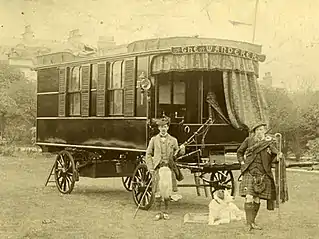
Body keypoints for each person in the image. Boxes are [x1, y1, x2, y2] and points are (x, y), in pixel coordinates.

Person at [237, 122, 283, 231]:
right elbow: (239, 152)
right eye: (257, 130)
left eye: (261, 130)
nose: (259, 132)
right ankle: (248, 224)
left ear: (264, 131)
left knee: (257, 199)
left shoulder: (269, 142)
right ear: (254, 132)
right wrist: (242, 162)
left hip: (263, 173)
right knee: (249, 196)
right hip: (250, 171)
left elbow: (275, 155)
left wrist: (279, 156)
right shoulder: (249, 141)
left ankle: (252, 222)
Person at [146, 116, 185, 221]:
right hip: (158, 169)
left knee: (167, 192)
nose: (163, 128)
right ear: (158, 128)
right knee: (158, 192)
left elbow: (178, 155)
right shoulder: (154, 140)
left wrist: (181, 150)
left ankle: (166, 212)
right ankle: (158, 213)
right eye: (161, 127)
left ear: (168, 128)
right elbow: (148, 154)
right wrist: (151, 168)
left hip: (168, 169)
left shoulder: (173, 140)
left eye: (165, 126)